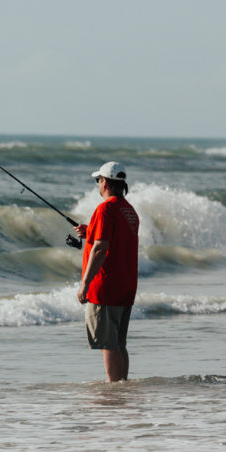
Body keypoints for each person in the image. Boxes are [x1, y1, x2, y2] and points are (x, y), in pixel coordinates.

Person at [75, 162, 139, 382]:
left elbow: (101, 248)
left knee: (108, 344)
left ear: (105, 182)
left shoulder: (105, 209)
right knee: (119, 343)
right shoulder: (129, 210)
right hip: (126, 286)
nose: (98, 184)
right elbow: (113, 239)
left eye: (98, 180)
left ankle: (115, 391)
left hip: (106, 287)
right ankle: (122, 386)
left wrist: (85, 283)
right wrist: (90, 232)